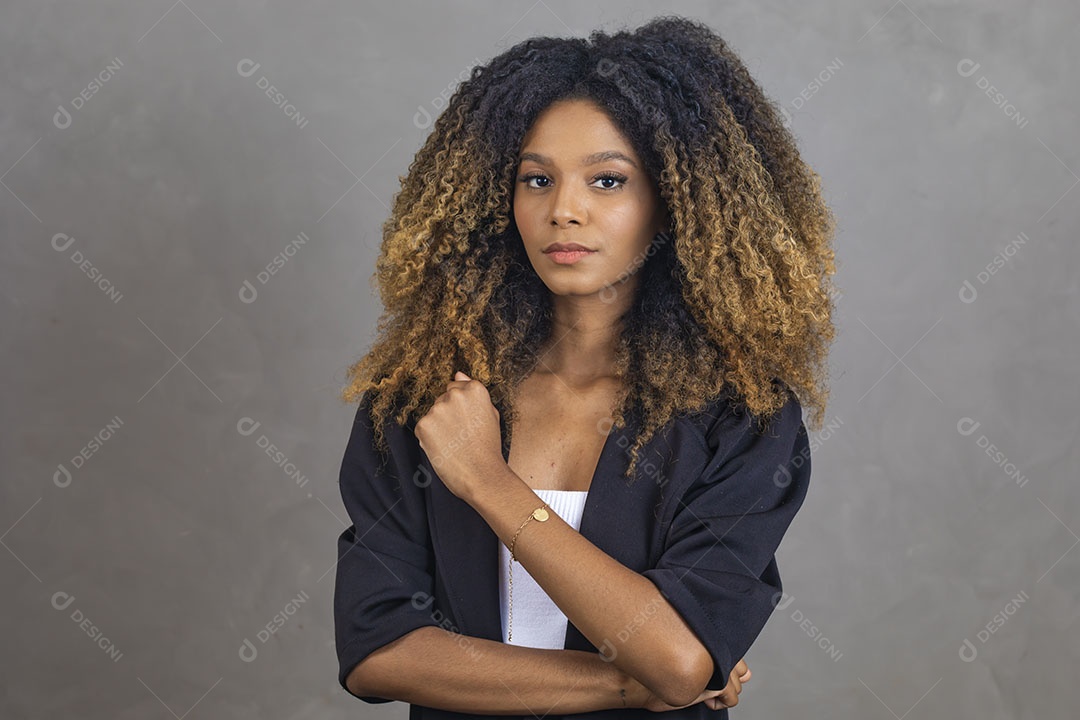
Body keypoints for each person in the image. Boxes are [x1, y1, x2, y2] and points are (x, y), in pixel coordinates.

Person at [333, 14, 836, 718]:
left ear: (675, 203)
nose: (563, 210)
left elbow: (678, 655)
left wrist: (487, 481)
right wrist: (627, 684)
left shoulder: (741, 419)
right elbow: (377, 651)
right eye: (536, 179)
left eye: (607, 180)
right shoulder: (425, 403)